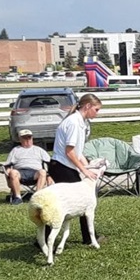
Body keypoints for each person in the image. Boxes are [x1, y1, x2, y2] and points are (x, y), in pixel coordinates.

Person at [48, 94, 103, 244]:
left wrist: (87, 166)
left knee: (71, 201)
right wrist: (84, 171)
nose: (97, 113)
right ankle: (89, 238)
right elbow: (69, 151)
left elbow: (78, 152)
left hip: (64, 166)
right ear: (87, 106)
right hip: (61, 166)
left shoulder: (80, 122)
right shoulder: (73, 122)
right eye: (96, 109)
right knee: (78, 200)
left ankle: (88, 237)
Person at [4, 129, 51, 205]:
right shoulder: (15, 150)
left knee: (43, 172)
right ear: (20, 139)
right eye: (25, 138)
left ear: (32, 138)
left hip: (35, 172)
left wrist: (49, 175)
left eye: (29, 137)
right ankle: (18, 198)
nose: (27, 139)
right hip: (20, 173)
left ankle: (37, 197)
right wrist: (7, 173)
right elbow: (7, 165)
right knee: (13, 172)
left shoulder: (39, 150)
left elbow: (50, 163)